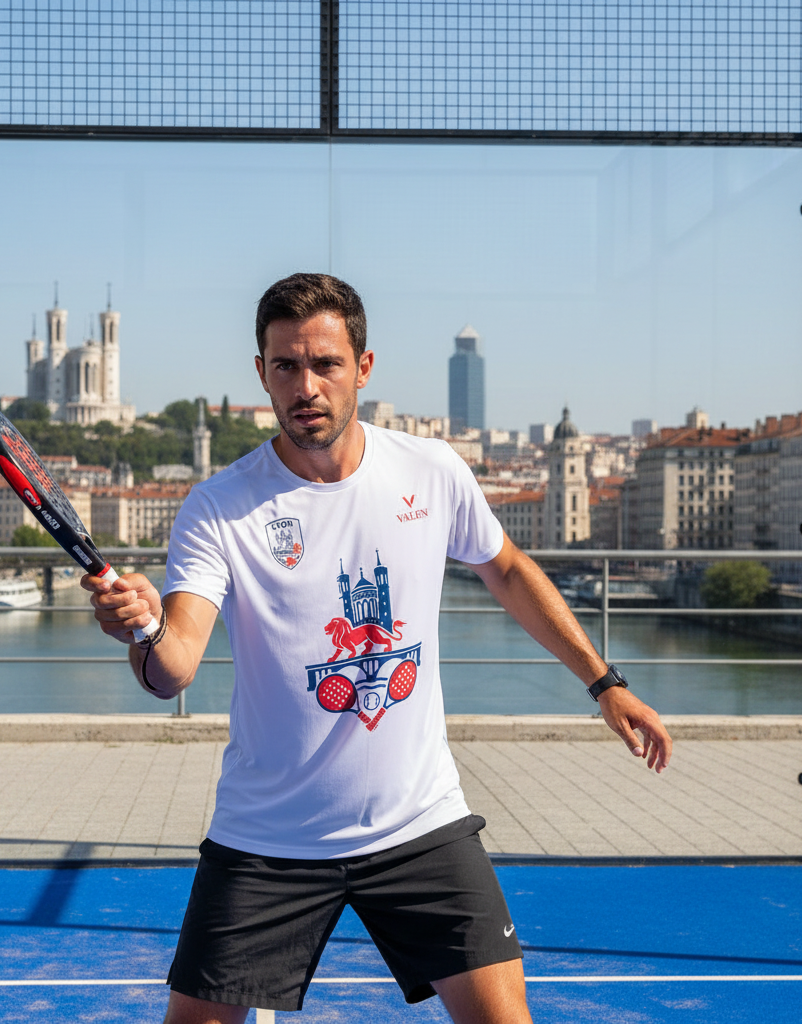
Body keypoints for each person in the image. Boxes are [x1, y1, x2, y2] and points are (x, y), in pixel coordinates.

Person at [83, 273, 672, 1024]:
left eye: (325, 364)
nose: (306, 386)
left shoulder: (430, 471)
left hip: (419, 825)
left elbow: (510, 571)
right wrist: (142, 627)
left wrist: (604, 682)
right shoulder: (219, 506)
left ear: (362, 368)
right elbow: (174, 668)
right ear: (261, 373)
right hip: (268, 839)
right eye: (286, 366)